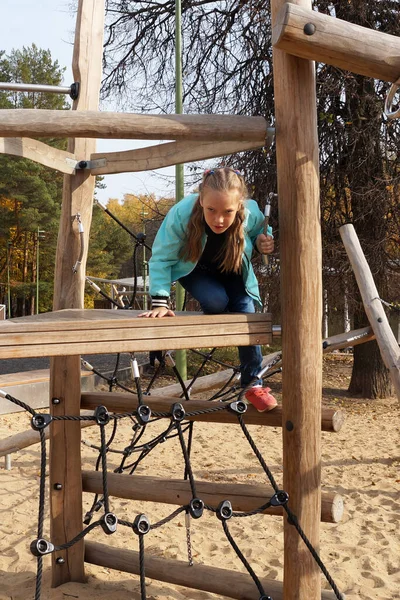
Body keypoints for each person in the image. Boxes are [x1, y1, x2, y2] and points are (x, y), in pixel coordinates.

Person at [138, 167, 277, 412]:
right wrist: (160, 301)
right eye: (211, 210)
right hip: (195, 270)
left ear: (240, 206)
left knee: (247, 316)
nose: (219, 219)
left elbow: (260, 232)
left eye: (228, 212)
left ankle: (253, 384)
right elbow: (161, 258)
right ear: (201, 199)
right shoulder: (182, 213)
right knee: (215, 303)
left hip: (232, 270)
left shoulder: (251, 212)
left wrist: (263, 241)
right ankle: (218, 301)